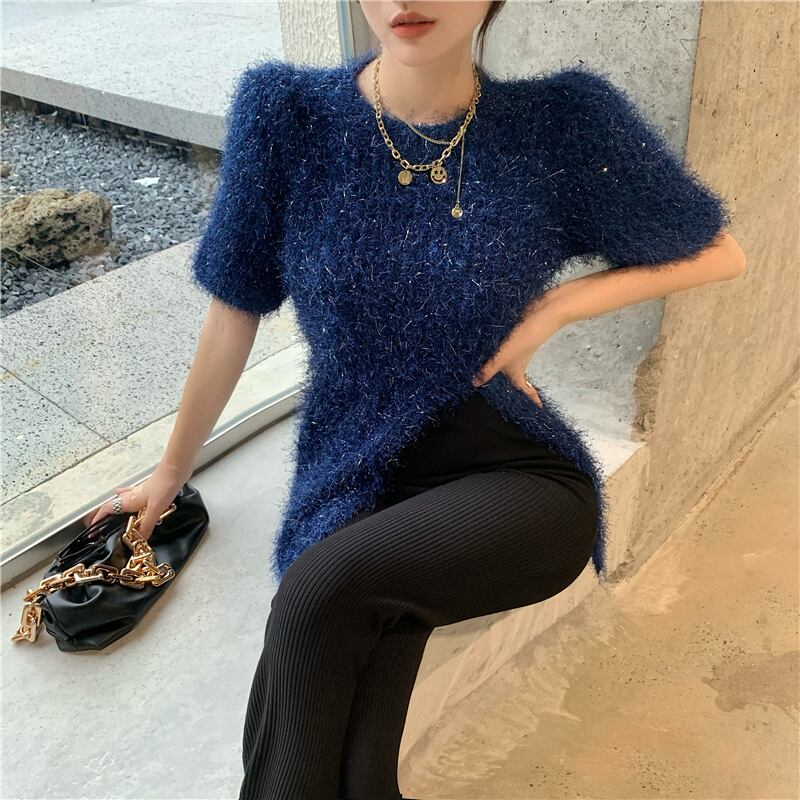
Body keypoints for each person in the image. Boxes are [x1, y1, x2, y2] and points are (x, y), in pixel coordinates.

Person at [89, 1, 746, 798]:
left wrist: (555, 307)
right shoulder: (287, 115)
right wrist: (169, 472)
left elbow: (719, 251)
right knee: (356, 754)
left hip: (516, 475)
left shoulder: (559, 122)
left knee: (316, 595)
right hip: (357, 469)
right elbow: (234, 311)